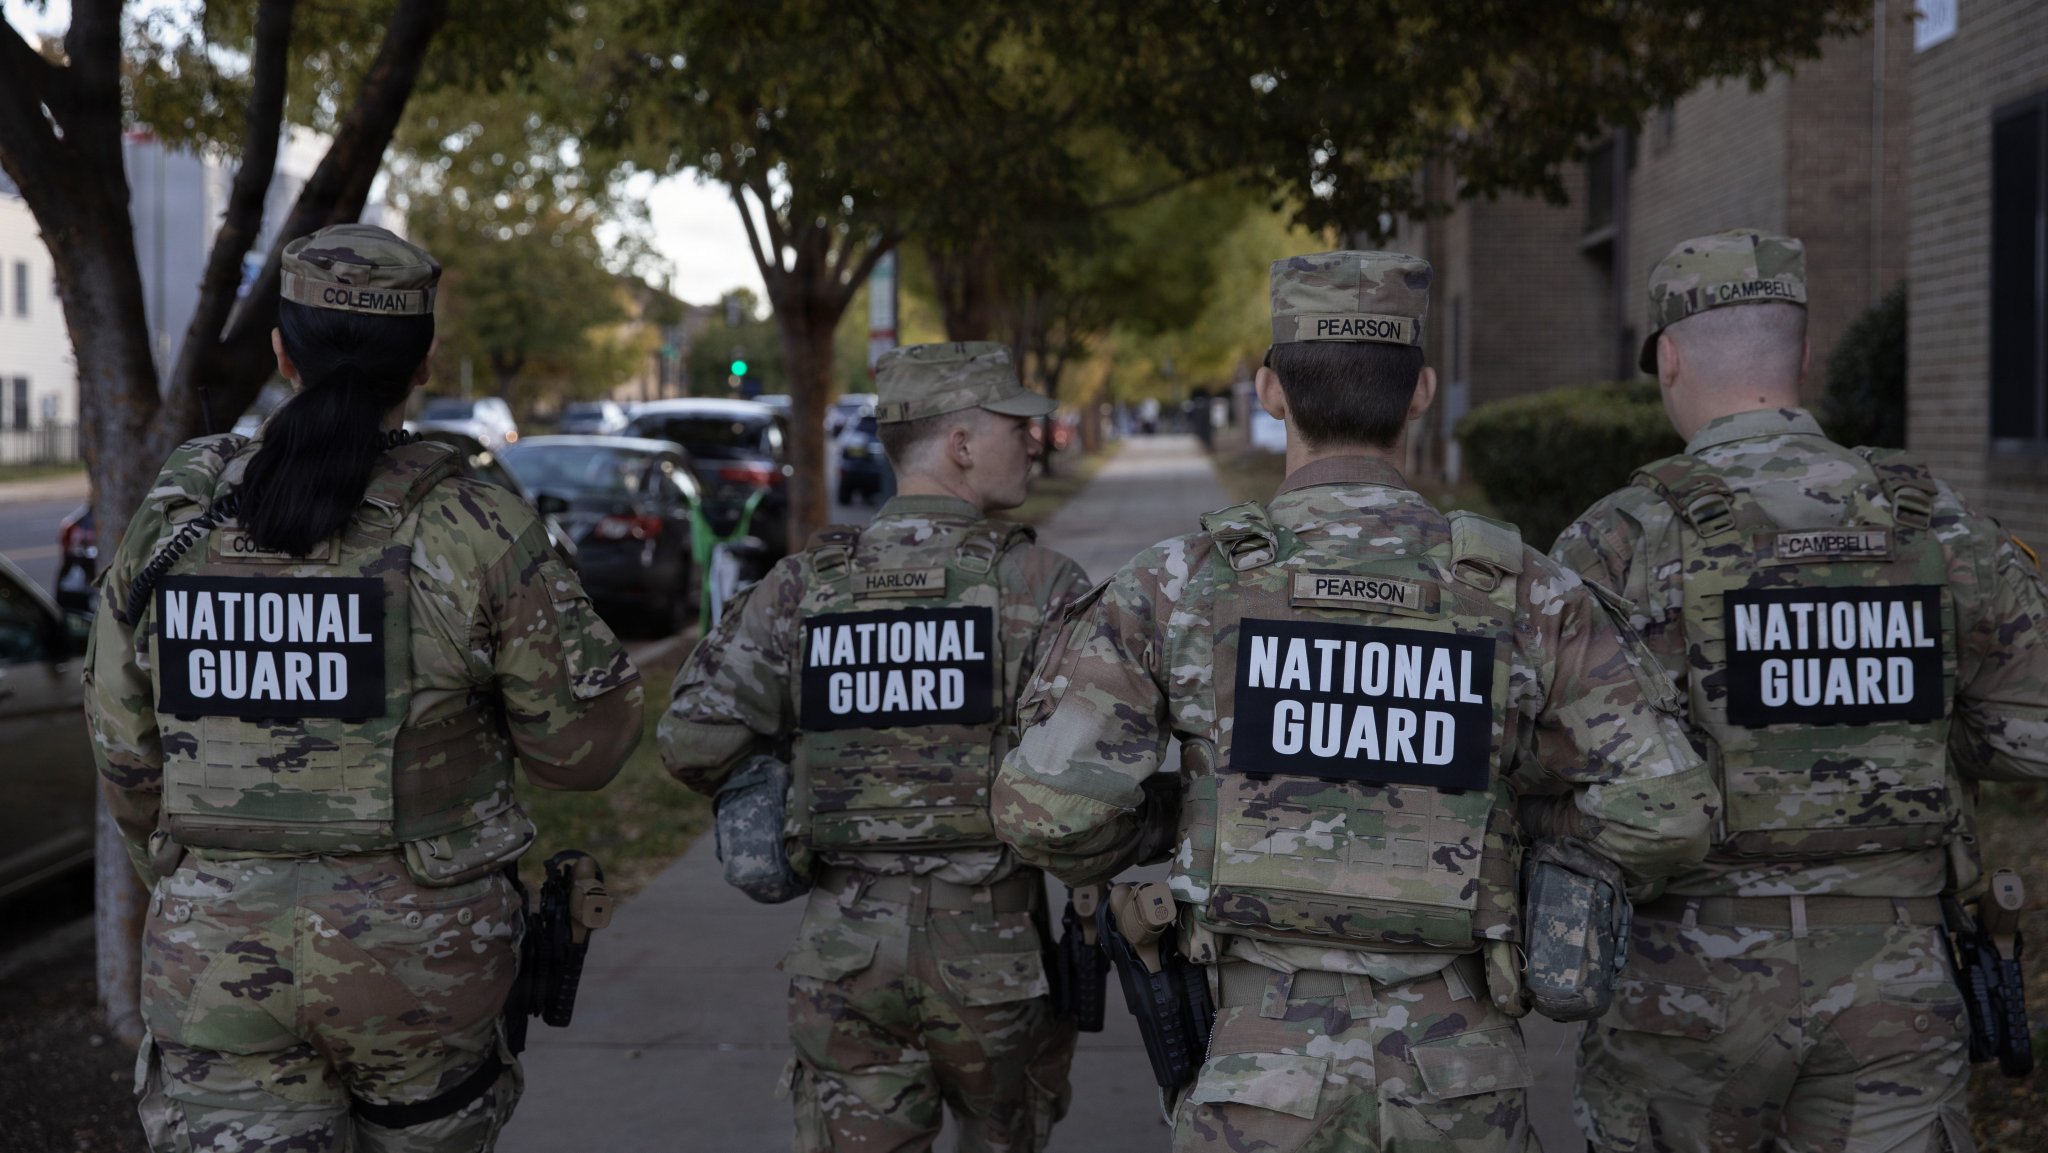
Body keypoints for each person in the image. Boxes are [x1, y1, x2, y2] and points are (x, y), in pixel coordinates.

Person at [991, 250, 1716, 1151]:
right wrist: (1517, 830)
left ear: (1268, 391)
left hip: (1257, 1071)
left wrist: (1183, 822)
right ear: (1420, 393)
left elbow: (1046, 811)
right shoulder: (1525, 591)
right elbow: (1671, 811)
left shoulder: (1177, 584)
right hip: (1463, 1079)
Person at [85, 223, 643, 1153]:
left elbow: (122, 744)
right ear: (423, 361)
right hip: (423, 970)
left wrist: (206, 875)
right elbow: (582, 750)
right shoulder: (472, 516)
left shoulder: (181, 508)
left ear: (280, 351)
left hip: (216, 961)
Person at [1552, 228, 2048, 1153]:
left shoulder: (1617, 540)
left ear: (1666, 360)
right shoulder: (1932, 517)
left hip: (1681, 985)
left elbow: (1548, 764)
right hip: (1895, 982)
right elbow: (2033, 733)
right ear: (1805, 354)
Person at [661, 342, 1092, 1151]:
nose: (1034, 441)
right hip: (994, 966)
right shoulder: (1041, 586)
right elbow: (1095, 786)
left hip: (843, 957)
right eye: (1016, 427)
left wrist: (791, 794)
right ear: (961, 445)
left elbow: (691, 736)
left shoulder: (803, 586)